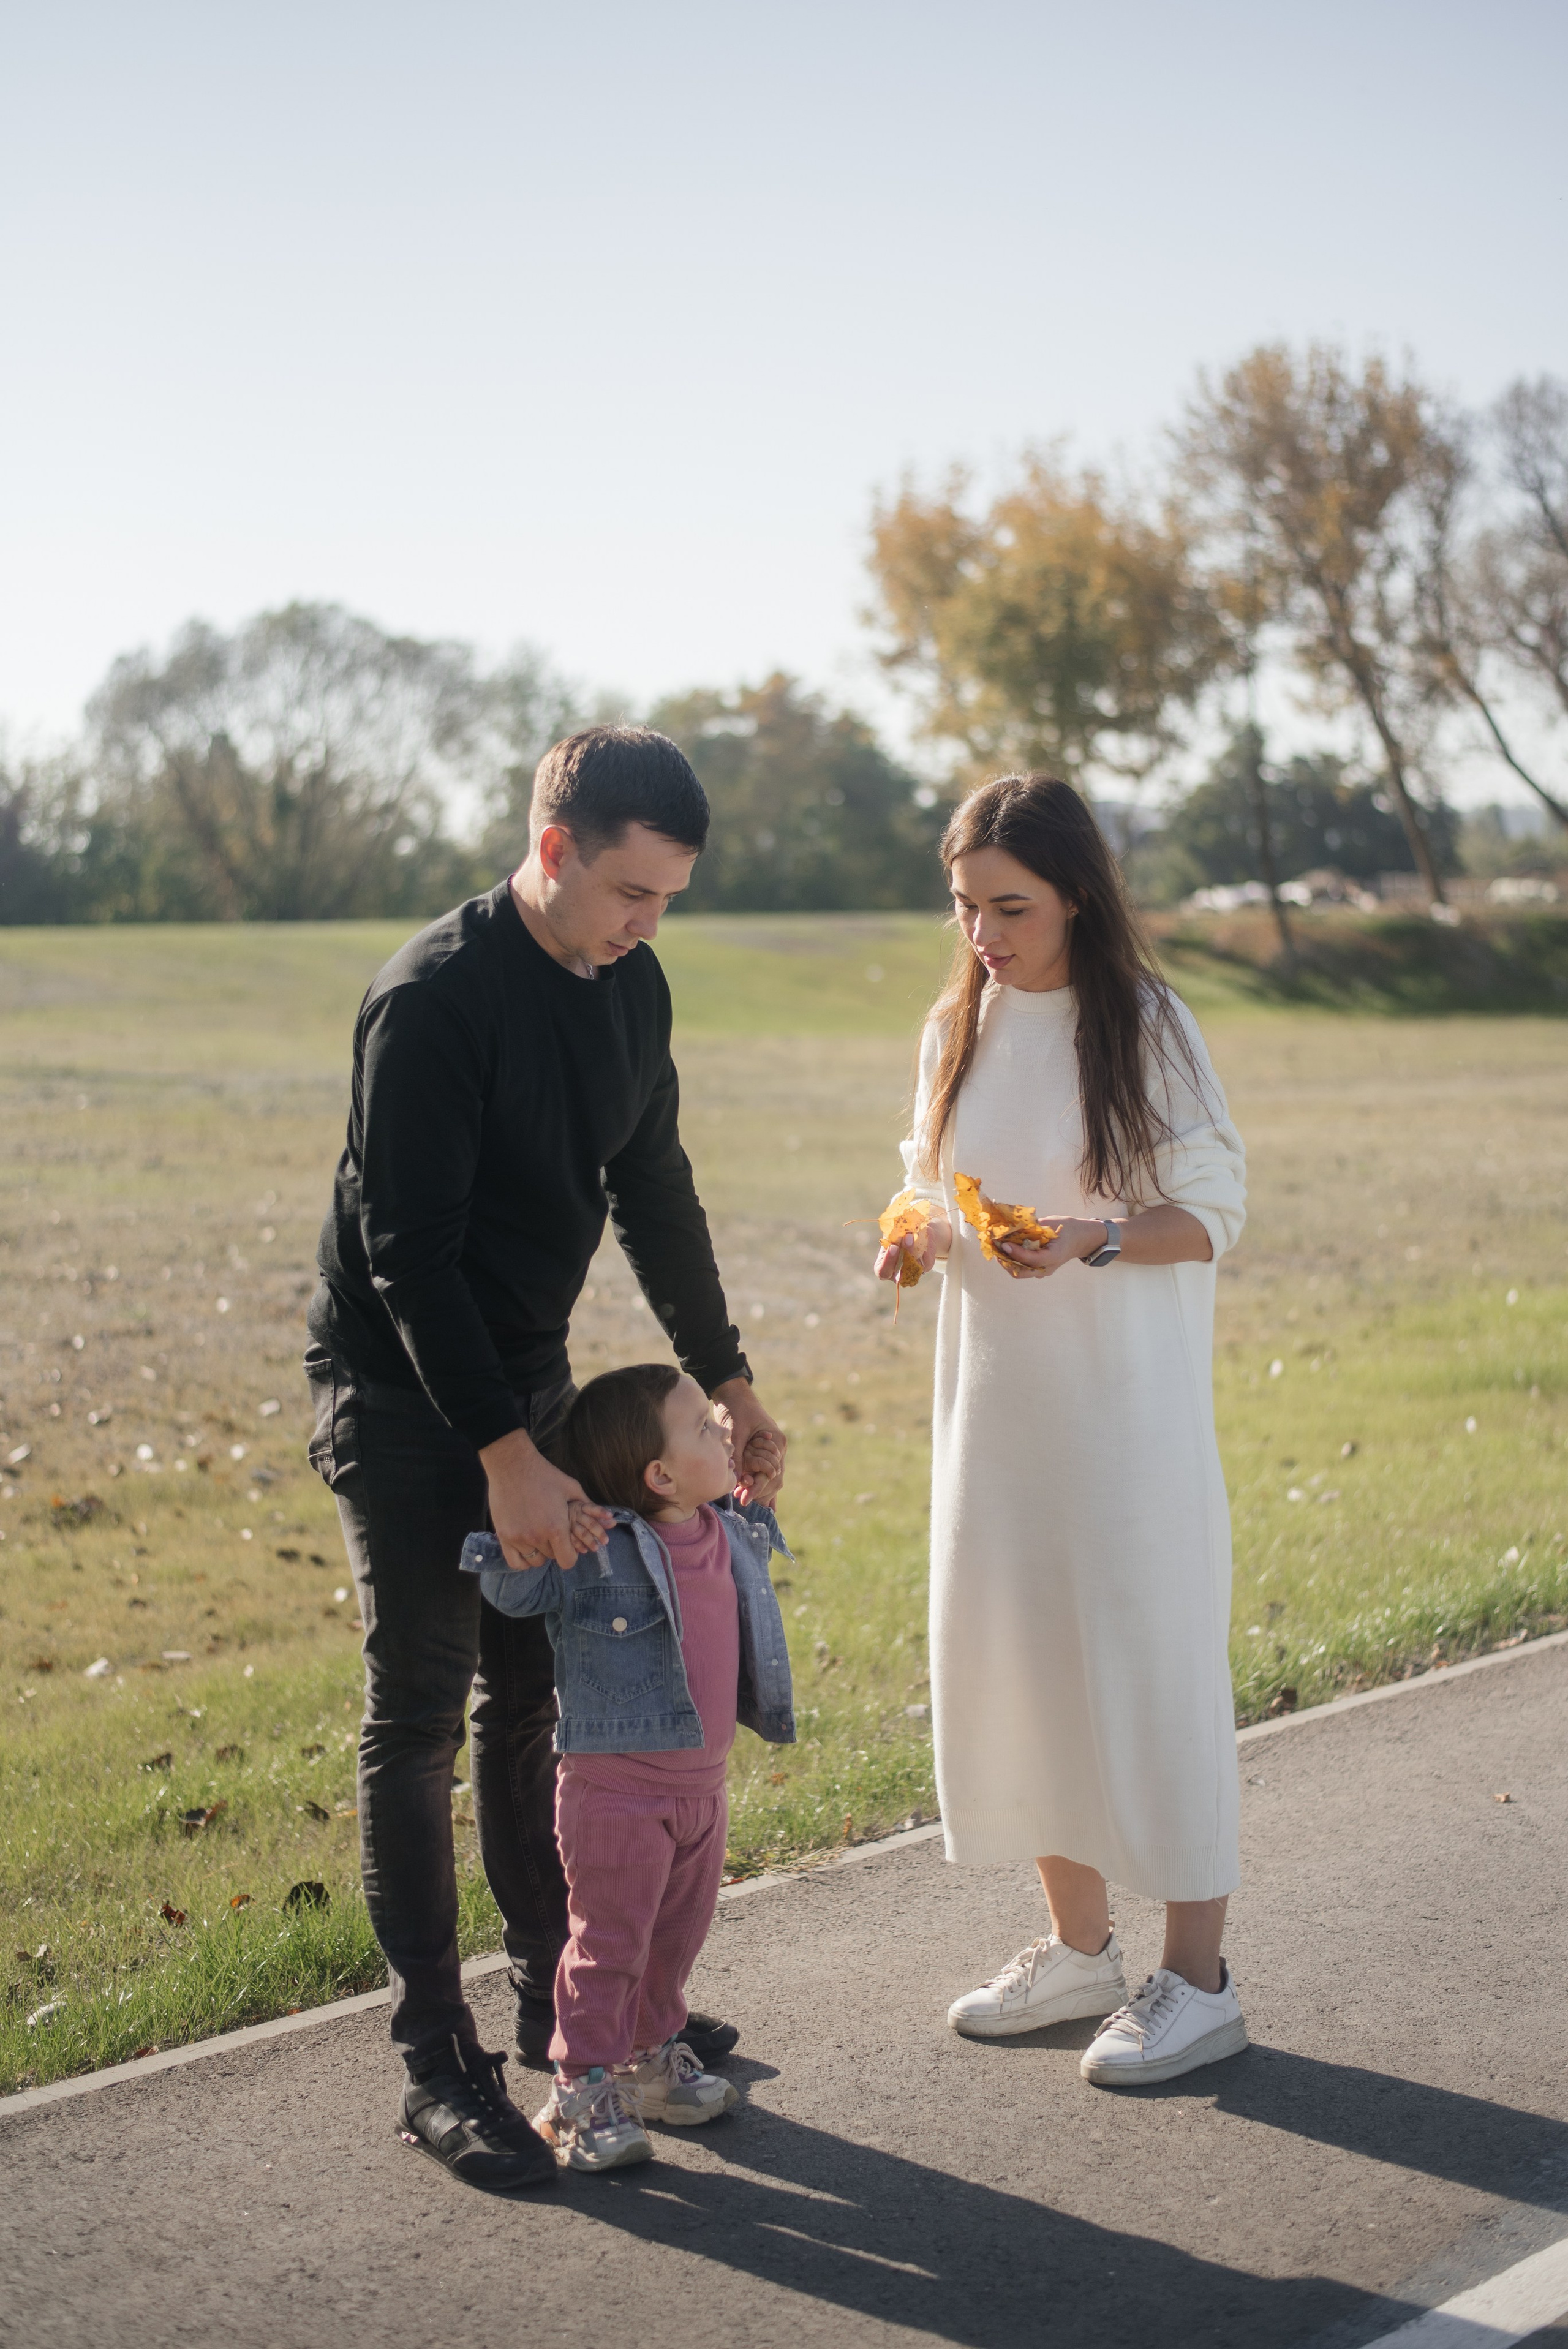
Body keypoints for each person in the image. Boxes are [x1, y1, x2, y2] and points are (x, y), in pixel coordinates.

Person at [306, 727, 786, 2190]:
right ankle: (432, 2059)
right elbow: (409, 1256)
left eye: (670, 900)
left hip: (525, 1373)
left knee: (538, 1703)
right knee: (423, 1720)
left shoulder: (628, 987)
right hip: (401, 1395)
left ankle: (555, 2004)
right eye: (633, 891)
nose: (650, 925)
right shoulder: (434, 1003)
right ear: (557, 847)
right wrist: (505, 1453)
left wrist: (727, 1371)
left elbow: (652, 1182)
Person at [874, 775, 1249, 2091]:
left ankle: (1196, 1980)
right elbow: (929, 1182)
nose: (979, 930)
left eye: (1007, 905)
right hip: (997, 1418)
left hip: (1125, 1424)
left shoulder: (1144, 1024)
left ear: (1075, 894)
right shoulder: (954, 1026)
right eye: (963, 904)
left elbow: (1210, 1209)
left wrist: (1089, 1237)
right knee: (1020, 1665)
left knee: (1149, 1673)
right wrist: (914, 1231)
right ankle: (1078, 1950)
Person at [462, 1362, 795, 2173]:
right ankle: (578, 2090)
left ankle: (649, 2060)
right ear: (658, 1475)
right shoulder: (599, 1549)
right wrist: (542, 1541)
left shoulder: (724, 1528)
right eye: (702, 1429)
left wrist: (751, 1462)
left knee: (675, 1941)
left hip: (701, 1792)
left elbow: (754, 1525)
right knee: (609, 1945)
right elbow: (508, 1587)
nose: (721, 1431)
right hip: (615, 1795)